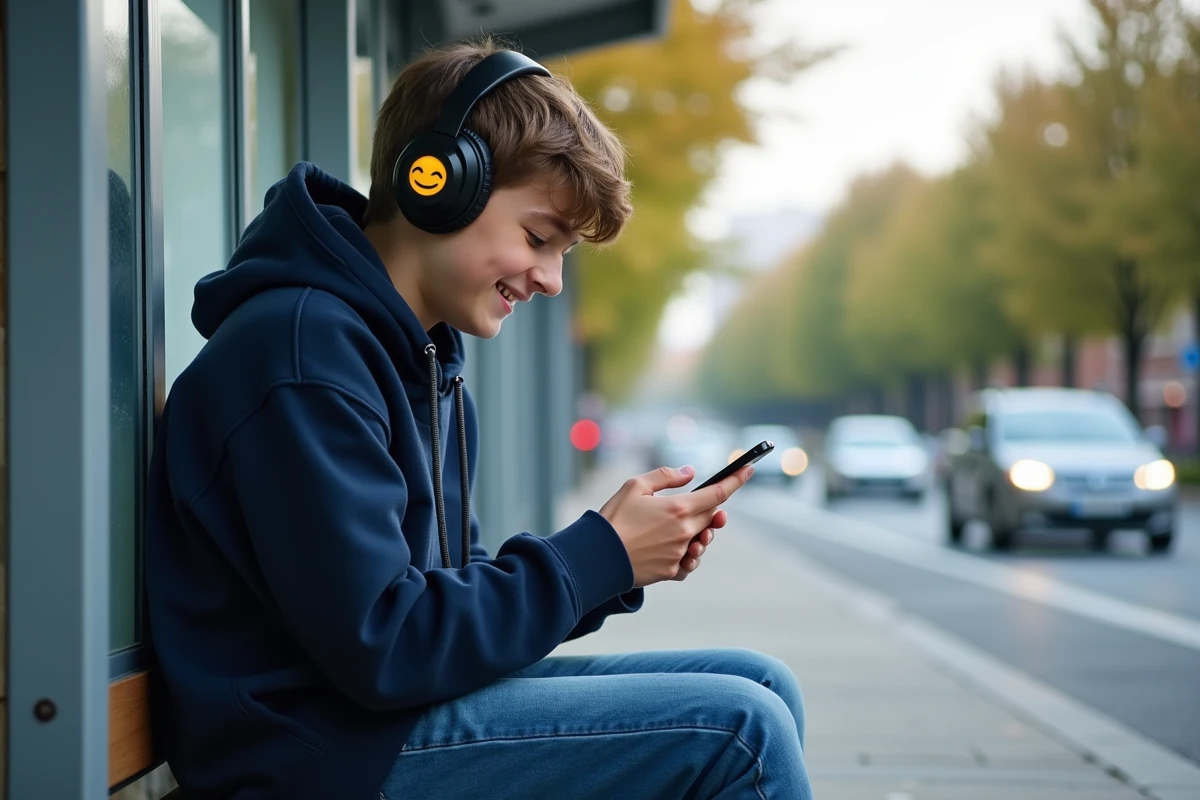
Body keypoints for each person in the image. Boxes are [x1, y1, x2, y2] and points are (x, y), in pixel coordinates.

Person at [145, 37, 811, 800]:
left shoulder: (422, 361)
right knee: (739, 731)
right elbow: (388, 645)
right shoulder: (302, 354)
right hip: (312, 757)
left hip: (370, 724)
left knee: (761, 682)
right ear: (437, 184)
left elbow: (447, 606)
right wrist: (599, 556)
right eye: (538, 239)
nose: (553, 280)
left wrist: (614, 566)